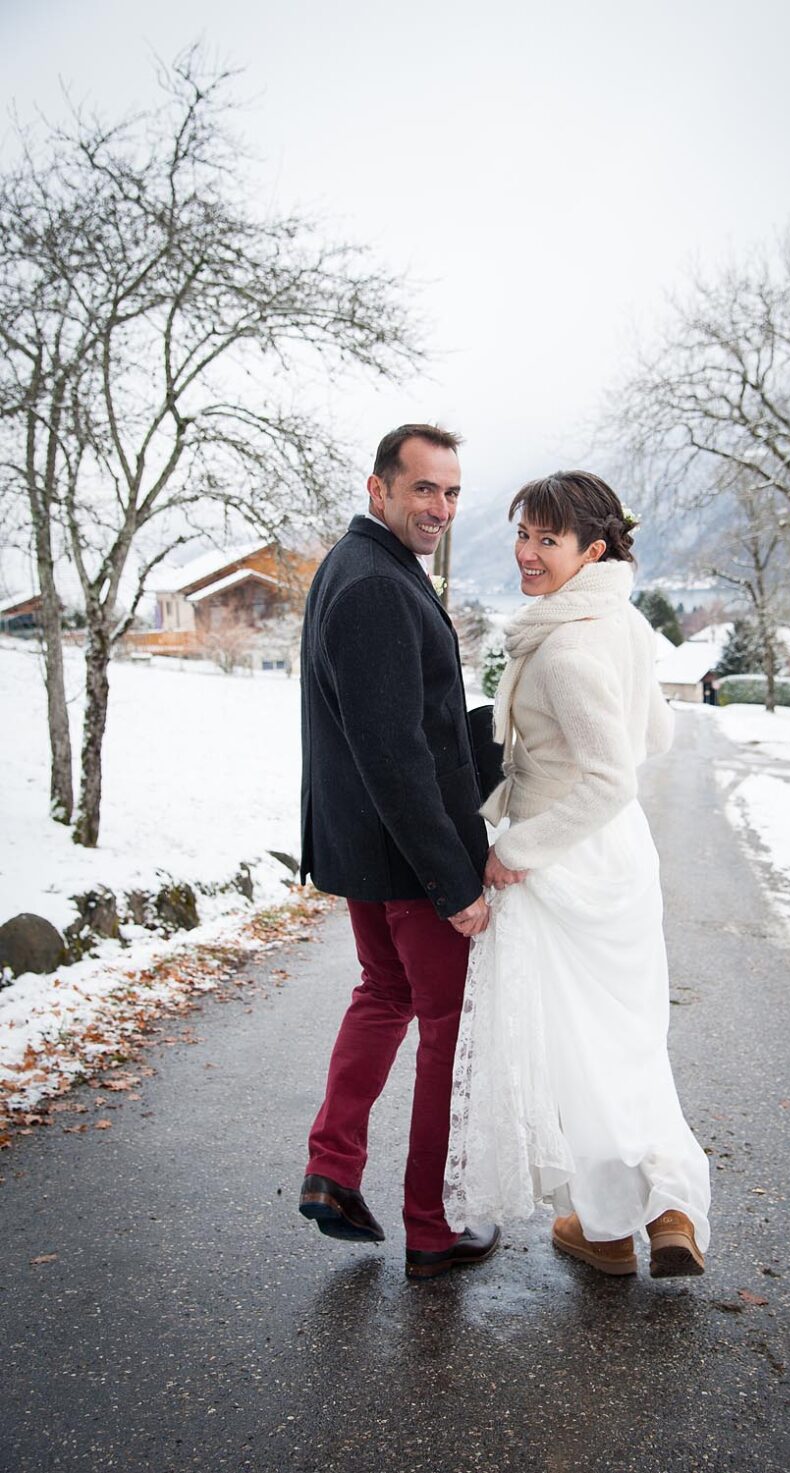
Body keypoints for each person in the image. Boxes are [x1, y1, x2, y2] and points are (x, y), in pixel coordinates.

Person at [444, 471, 711, 1278]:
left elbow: (609, 778)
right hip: (621, 856)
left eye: (547, 540)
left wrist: (514, 849)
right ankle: (656, 1209)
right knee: (628, 1045)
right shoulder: (623, 621)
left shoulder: (563, 647)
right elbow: (655, 735)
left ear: (592, 550)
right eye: (522, 534)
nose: (527, 553)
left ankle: (617, 1222)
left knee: (580, 1058)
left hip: (564, 861)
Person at [299, 423, 501, 1280]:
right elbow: (393, 752)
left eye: (451, 492)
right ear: (378, 487)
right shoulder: (377, 583)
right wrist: (452, 881)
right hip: (409, 859)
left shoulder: (358, 564)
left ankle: (333, 1167)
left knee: (384, 994)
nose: (440, 507)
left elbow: (405, 720)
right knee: (448, 1029)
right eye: (424, 488)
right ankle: (433, 1223)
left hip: (367, 847)